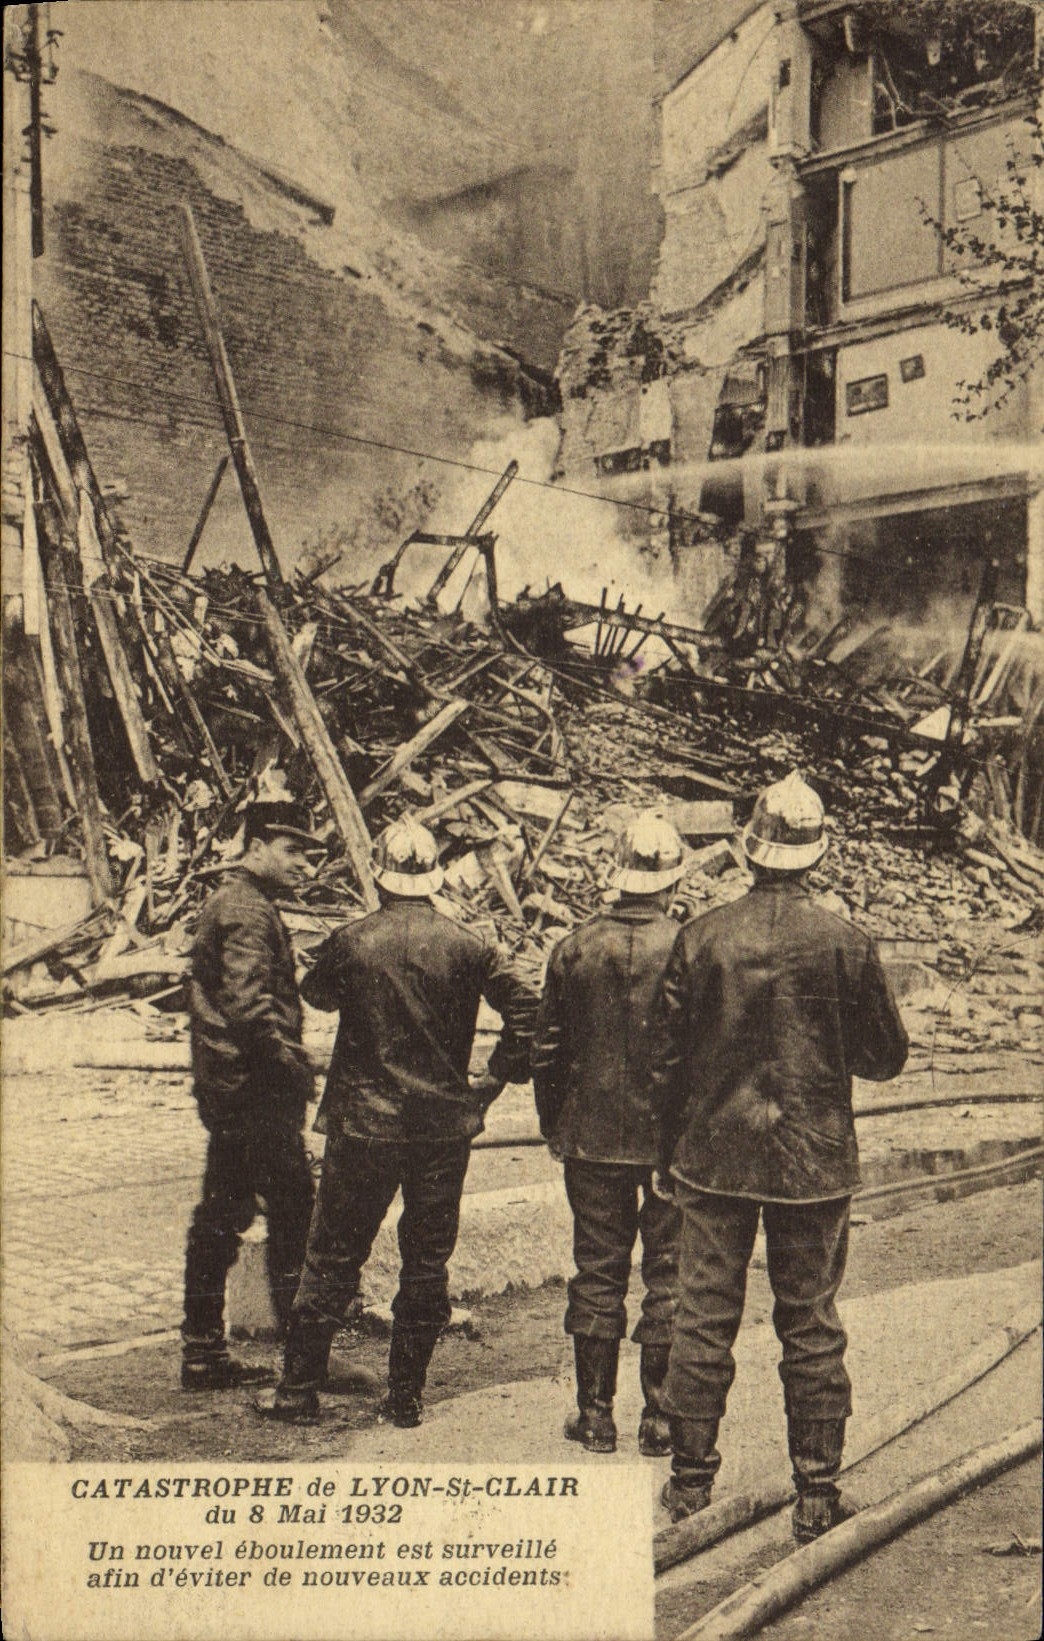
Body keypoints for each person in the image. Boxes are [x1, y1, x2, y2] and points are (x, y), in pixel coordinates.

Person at [652, 772, 908, 1540]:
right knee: (812, 1322)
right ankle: (818, 1493)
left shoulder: (701, 935)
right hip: (814, 1160)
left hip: (714, 1154)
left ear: (748, 851)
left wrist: (669, 1152)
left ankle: (691, 1485)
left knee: (701, 1316)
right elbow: (886, 1055)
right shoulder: (845, 941)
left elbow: (665, 1060)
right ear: (816, 856)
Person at [257, 817, 537, 1428]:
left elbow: (319, 994)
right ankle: (405, 1399)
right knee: (426, 1263)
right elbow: (530, 1008)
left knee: (331, 1254)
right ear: (435, 878)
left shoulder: (351, 940)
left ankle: (298, 1392)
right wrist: (492, 1080)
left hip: (363, 1127)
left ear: (379, 878)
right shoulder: (469, 944)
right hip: (440, 1131)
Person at [532, 812, 686, 1457]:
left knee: (596, 1271)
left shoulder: (572, 947)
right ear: (671, 881)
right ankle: (660, 1419)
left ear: (616, 877)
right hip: (670, 1145)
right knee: (669, 1273)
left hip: (589, 1136)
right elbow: (697, 1054)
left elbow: (546, 1052)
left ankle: (595, 1417)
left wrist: (555, 1127)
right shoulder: (690, 945)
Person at [181, 801, 318, 1391]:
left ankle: (204, 1352)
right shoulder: (245, 910)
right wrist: (294, 1069)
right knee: (294, 1214)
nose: (303, 865)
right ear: (256, 847)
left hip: (234, 1090)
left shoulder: (241, 903)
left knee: (223, 1214)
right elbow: (249, 1007)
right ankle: (303, 1357)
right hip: (255, 1093)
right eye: (292, 851)